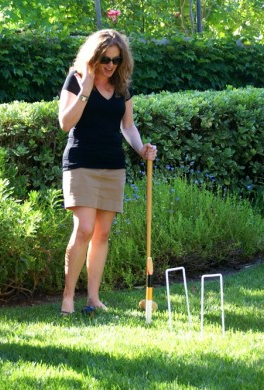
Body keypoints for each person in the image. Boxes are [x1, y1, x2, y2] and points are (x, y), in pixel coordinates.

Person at [58, 29, 157, 315]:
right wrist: (87, 87)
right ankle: (67, 298)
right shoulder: (76, 80)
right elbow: (66, 122)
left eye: (116, 59)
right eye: (105, 58)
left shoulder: (122, 86)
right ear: (93, 56)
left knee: (102, 233)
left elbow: (127, 126)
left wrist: (141, 149)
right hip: (81, 161)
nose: (110, 64)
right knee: (85, 228)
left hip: (113, 164)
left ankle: (93, 298)